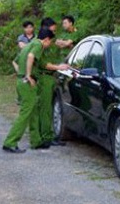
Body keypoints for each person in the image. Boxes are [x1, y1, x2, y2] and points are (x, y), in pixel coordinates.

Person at [3, 28, 56, 153]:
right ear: (46, 39)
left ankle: (36, 141)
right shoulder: (38, 45)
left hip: (22, 82)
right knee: (26, 113)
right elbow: (31, 57)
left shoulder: (30, 44)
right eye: (50, 42)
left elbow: (41, 63)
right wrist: (28, 75)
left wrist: (59, 67)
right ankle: (10, 142)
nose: (49, 45)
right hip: (27, 83)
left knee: (33, 112)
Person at [37, 17, 70, 147]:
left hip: (49, 77)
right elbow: (43, 64)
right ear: (46, 28)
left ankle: (46, 134)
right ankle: (46, 136)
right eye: (53, 30)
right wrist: (59, 67)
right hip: (44, 77)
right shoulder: (40, 44)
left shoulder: (46, 42)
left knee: (48, 108)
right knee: (45, 108)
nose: (54, 33)